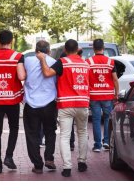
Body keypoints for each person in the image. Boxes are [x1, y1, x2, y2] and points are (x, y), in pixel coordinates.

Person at [37, 39, 90, 177]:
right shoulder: (86, 64)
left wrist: (42, 59)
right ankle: (82, 162)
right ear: (78, 49)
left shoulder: (63, 62)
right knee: (82, 133)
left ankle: (67, 168)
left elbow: (47, 73)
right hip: (83, 103)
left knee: (65, 136)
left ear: (65, 50)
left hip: (66, 104)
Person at [0, 30, 26, 173]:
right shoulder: (18, 57)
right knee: (14, 128)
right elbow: (21, 77)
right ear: (11, 40)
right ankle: (8, 156)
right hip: (12, 99)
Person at [23, 40, 58, 174]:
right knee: (50, 131)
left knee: (32, 134)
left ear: (36, 50)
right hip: (49, 103)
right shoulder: (54, 61)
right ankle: (49, 158)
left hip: (31, 104)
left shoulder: (27, 61)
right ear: (48, 50)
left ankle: (37, 165)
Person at [86, 39, 119, 152]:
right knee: (107, 119)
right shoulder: (110, 62)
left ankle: (97, 145)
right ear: (103, 48)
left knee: (96, 119)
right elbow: (115, 79)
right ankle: (106, 142)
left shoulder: (88, 61)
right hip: (108, 96)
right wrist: (116, 93)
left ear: (93, 48)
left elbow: (85, 79)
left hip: (94, 95)